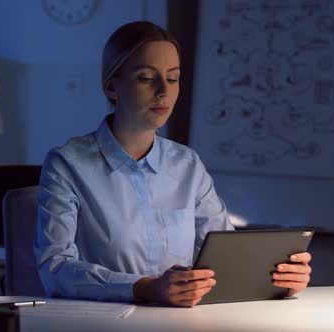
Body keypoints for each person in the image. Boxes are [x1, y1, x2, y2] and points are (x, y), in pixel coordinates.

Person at [34, 21, 312, 307]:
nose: (163, 92)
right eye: (146, 78)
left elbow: (229, 258)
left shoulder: (187, 164)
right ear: (111, 86)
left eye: (173, 78)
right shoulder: (67, 163)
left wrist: (279, 279)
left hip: (182, 321)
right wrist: (146, 287)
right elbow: (55, 269)